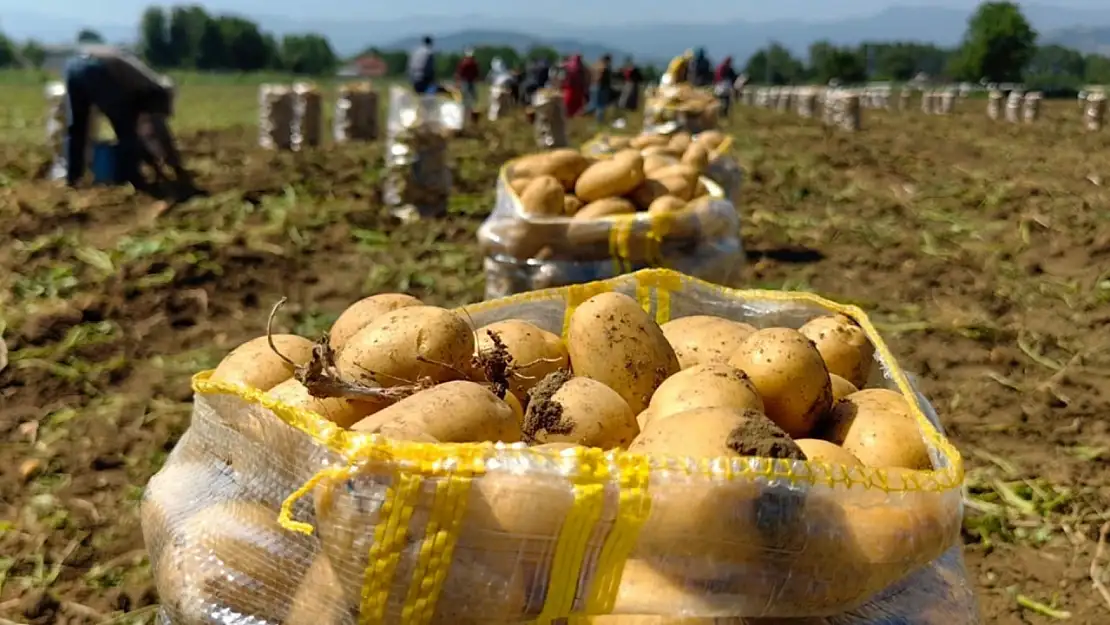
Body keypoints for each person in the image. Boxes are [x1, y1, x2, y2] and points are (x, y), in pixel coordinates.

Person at [63, 45, 190, 191]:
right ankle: (134, 179)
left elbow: (144, 135)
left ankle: (73, 178)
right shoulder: (154, 91)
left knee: (77, 128)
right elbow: (160, 134)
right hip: (98, 70)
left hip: (74, 66)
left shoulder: (141, 84)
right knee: (126, 131)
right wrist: (178, 168)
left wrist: (157, 168)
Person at [587, 54, 615, 123]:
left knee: (594, 104)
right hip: (602, 88)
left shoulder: (598, 66)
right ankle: (599, 120)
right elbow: (600, 77)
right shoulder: (605, 68)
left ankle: (591, 118)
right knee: (600, 105)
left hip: (596, 87)